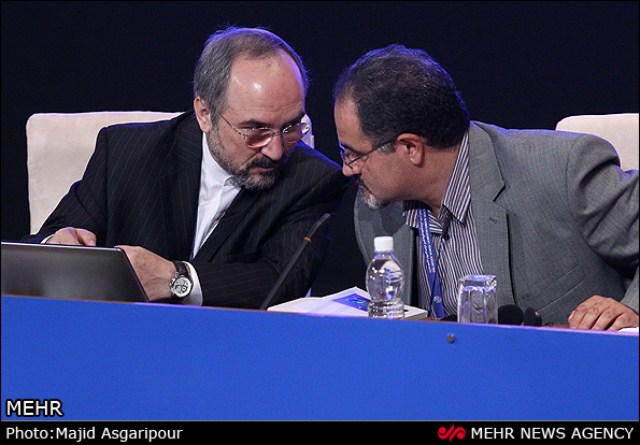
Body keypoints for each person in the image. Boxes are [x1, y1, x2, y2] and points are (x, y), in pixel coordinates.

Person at [23, 26, 349, 309]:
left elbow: (281, 280)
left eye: (290, 127)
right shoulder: (125, 152)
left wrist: (176, 278)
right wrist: (58, 248)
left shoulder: (313, 179)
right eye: (255, 131)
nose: (276, 150)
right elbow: (35, 249)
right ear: (204, 114)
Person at [332, 44, 638, 330]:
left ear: (410, 148)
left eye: (354, 154)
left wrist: (631, 308)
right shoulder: (374, 208)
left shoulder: (563, 169)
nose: (347, 169)